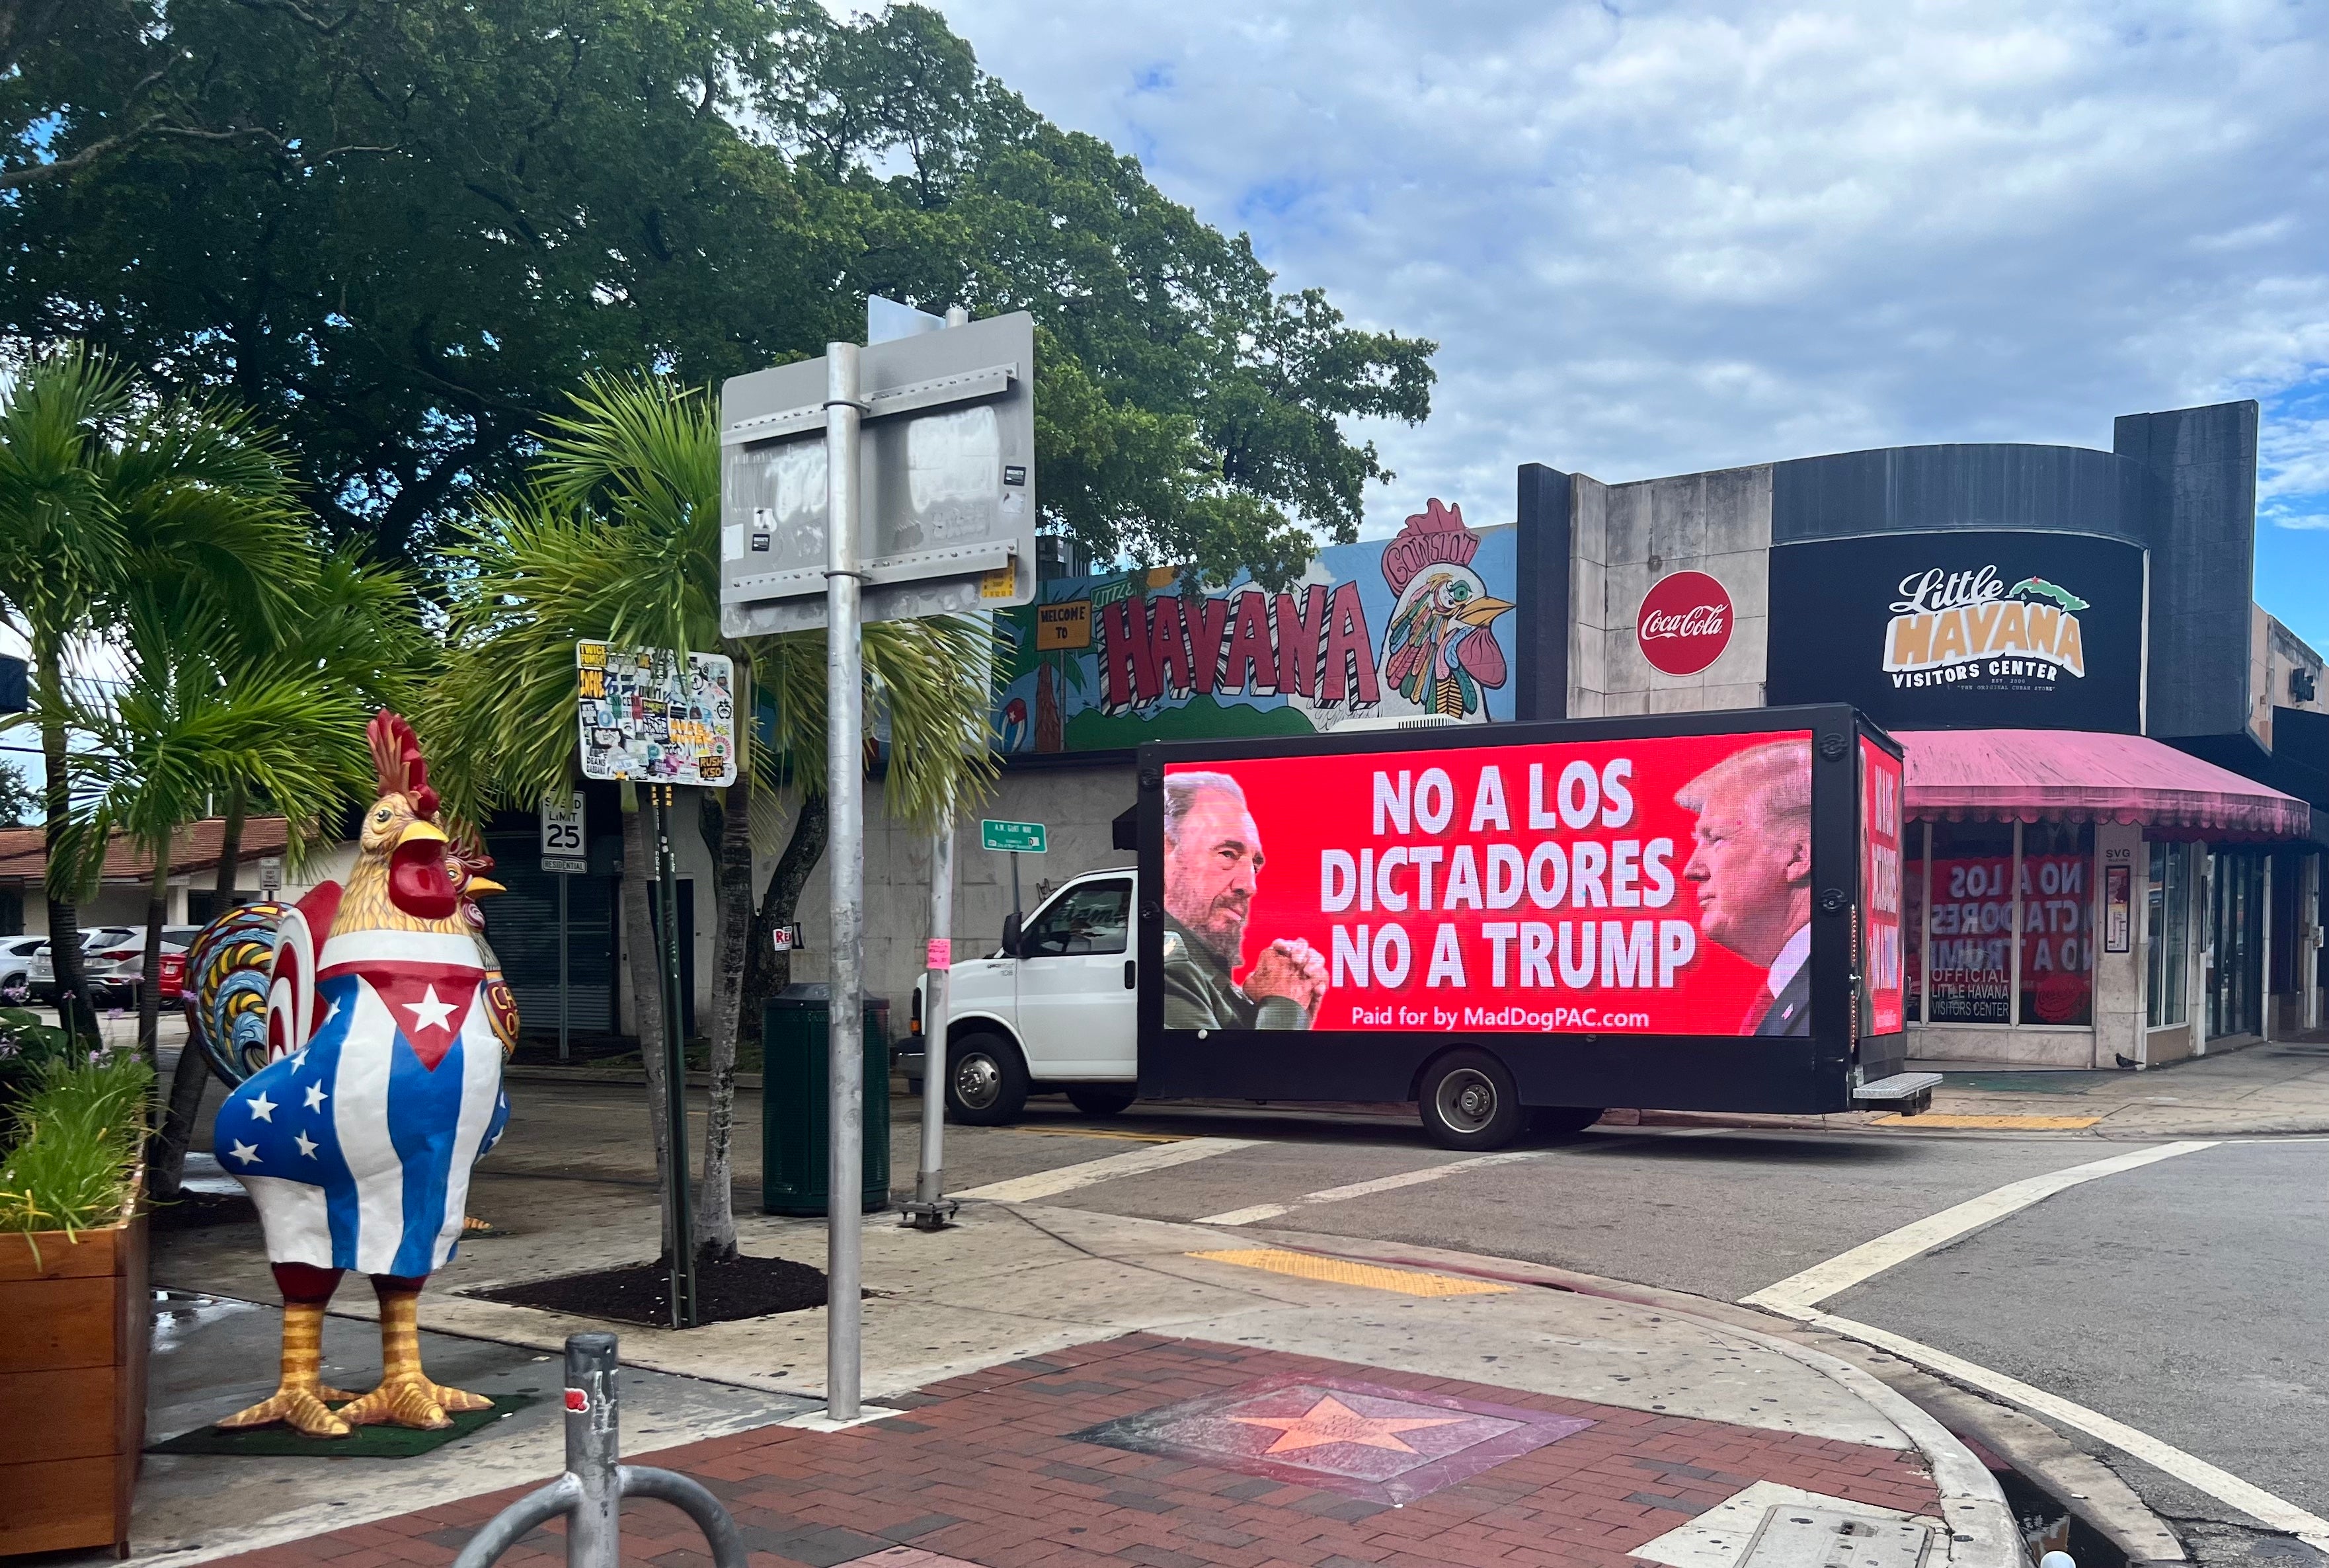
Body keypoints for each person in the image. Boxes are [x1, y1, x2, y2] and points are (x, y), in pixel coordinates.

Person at [1160, 771, 1326, 1030]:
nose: (1249, 886)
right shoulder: (1170, 968)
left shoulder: (1206, 972)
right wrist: (1282, 1006)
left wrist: (1291, 1000)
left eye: (1255, 866)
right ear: (1166, 852)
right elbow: (1246, 1071)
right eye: (1227, 854)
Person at [1676, 740, 1814, 1036]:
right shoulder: (1794, 985)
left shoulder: (1820, 995)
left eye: (1716, 839)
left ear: (1798, 856)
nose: (1692, 870)